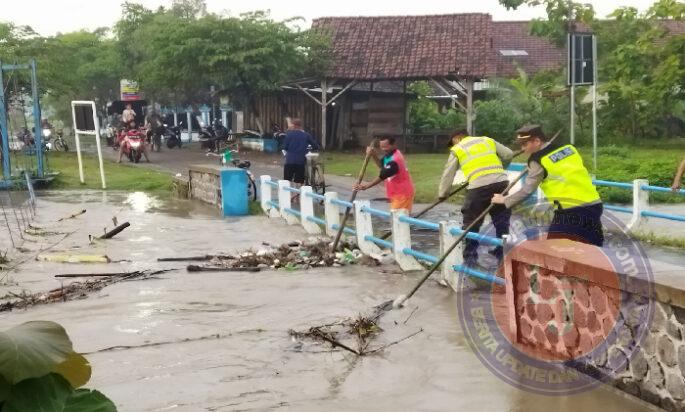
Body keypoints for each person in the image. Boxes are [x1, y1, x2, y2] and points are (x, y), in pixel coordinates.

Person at [492, 125, 604, 246]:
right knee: (592, 250)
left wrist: (504, 200)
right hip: (594, 205)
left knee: (554, 251)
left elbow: (527, 190)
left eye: (525, 144)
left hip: (571, 211)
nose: (523, 148)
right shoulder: (568, 148)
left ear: (537, 141)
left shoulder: (537, 160)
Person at [438, 129, 513, 266]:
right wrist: (501, 168)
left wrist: (443, 194)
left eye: (452, 142)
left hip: (479, 187)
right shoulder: (486, 140)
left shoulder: (458, 148)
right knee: (501, 219)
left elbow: (448, 173)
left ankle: (470, 257)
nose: (452, 145)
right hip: (501, 183)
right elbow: (508, 154)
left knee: (471, 221)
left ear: (458, 137)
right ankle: (503, 252)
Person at [354, 136, 415, 212]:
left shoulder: (395, 159)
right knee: (397, 219)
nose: (383, 149)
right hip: (395, 193)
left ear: (393, 145)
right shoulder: (389, 154)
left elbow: (383, 175)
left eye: (386, 147)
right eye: (381, 147)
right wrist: (373, 155)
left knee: (398, 220)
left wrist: (366, 186)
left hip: (402, 194)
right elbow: (381, 165)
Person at [282, 118, 319, 189]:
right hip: (300, 161)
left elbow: (285, 147)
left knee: (287, 180)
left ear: (294, 126)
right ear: (300, 126)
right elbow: (315, 145)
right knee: (299, 180)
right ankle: (298, 197)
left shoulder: (289, 135)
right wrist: (315, 147)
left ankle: (290, 196)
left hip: (289, 161)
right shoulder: (306, 135)